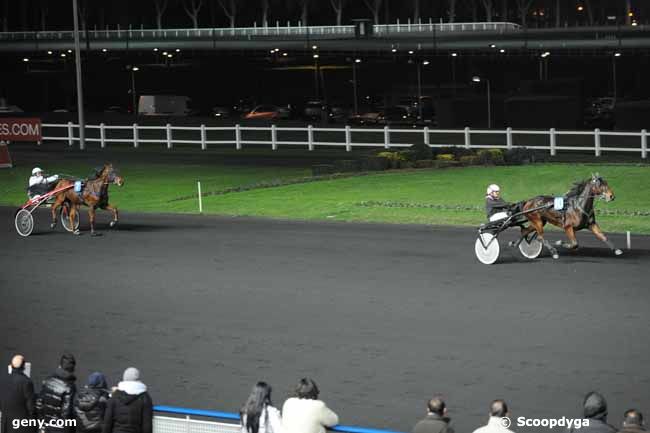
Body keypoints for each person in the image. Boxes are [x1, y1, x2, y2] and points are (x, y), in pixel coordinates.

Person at [103, 367, 153, 433]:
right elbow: (147, 425)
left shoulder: (115, 396)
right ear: (138, 379)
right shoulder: (144, 397)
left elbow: (107, 422)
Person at [36, 354, 77, 433]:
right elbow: (66, 412)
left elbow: (39, 403)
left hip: (46, 424)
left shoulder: (47, 380)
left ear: (60, 365)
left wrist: (42, 423)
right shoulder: (70, 386)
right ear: (72, 369)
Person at [0, 354, 37, 433]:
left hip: (6, 424)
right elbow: (31, 407)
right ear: (24, 367)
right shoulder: (27, 382)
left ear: (11, 365)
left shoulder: (3, 379)